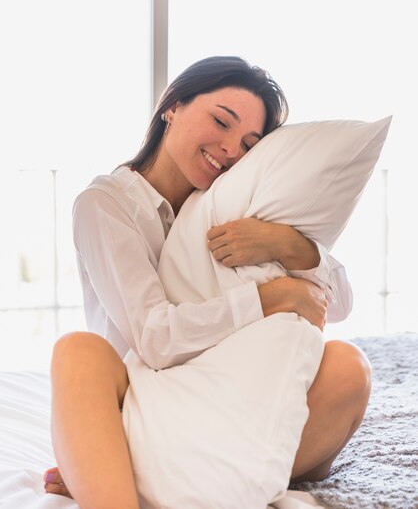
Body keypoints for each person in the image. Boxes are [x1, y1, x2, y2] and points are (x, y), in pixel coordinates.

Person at [43, 56, 371, 508]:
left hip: (234, 396)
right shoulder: (107, 205)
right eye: (221, 121)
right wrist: (270, 298)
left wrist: (288, 245)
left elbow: (339, 304)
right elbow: (155, 338)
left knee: (348, 366)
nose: (231, 150)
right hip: (141, 401)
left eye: (248, 144)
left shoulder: (233, 202)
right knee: (78, 352)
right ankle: (120, 473)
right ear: (172, 107)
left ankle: (141, 474)